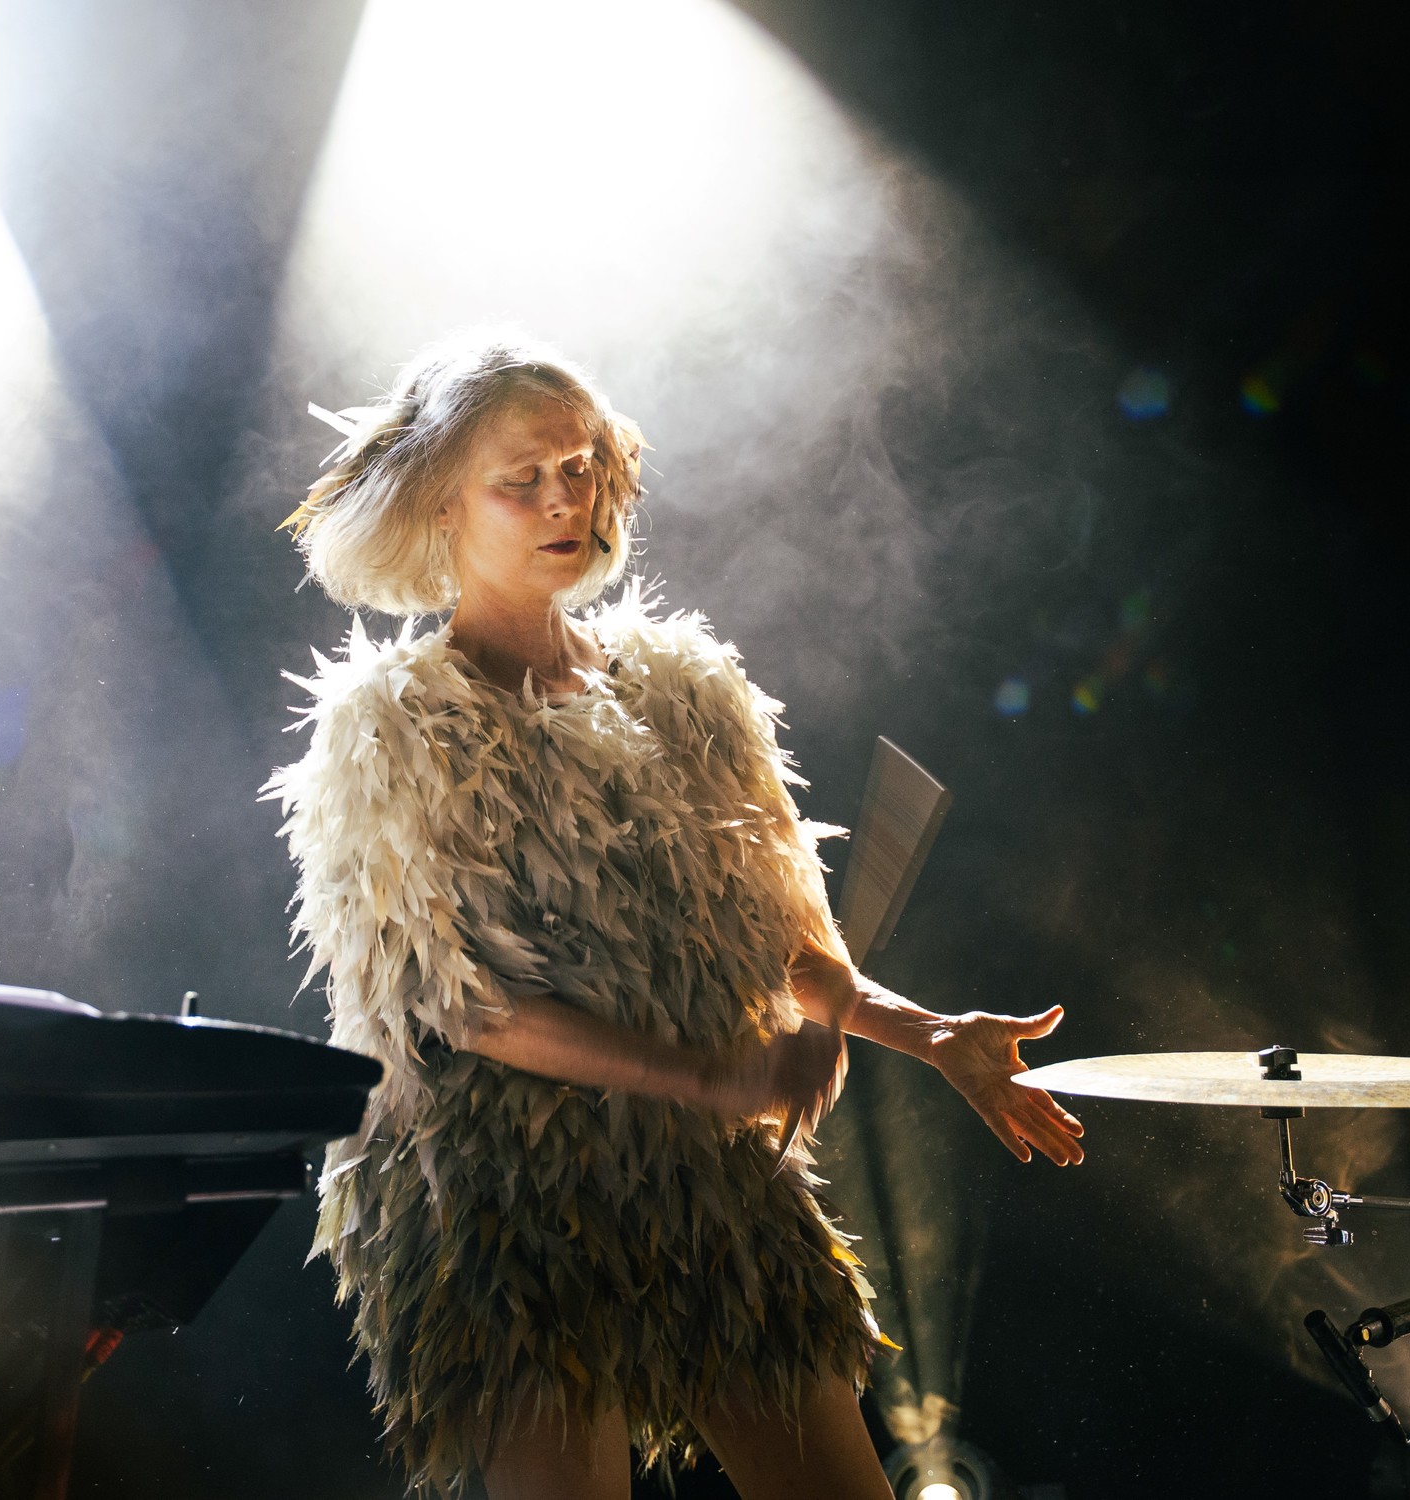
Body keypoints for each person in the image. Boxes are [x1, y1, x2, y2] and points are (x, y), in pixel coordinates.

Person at [266, 333, 1085, 1500]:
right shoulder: (389, 729)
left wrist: (929, 1034)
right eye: (522, 479)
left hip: (705, 1172)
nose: (567, 499)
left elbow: (791, 950)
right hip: (499, 1195)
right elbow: (463, 1006)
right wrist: (710, 1075)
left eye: (582, 465)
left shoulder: (691, 691)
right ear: (440, 501)